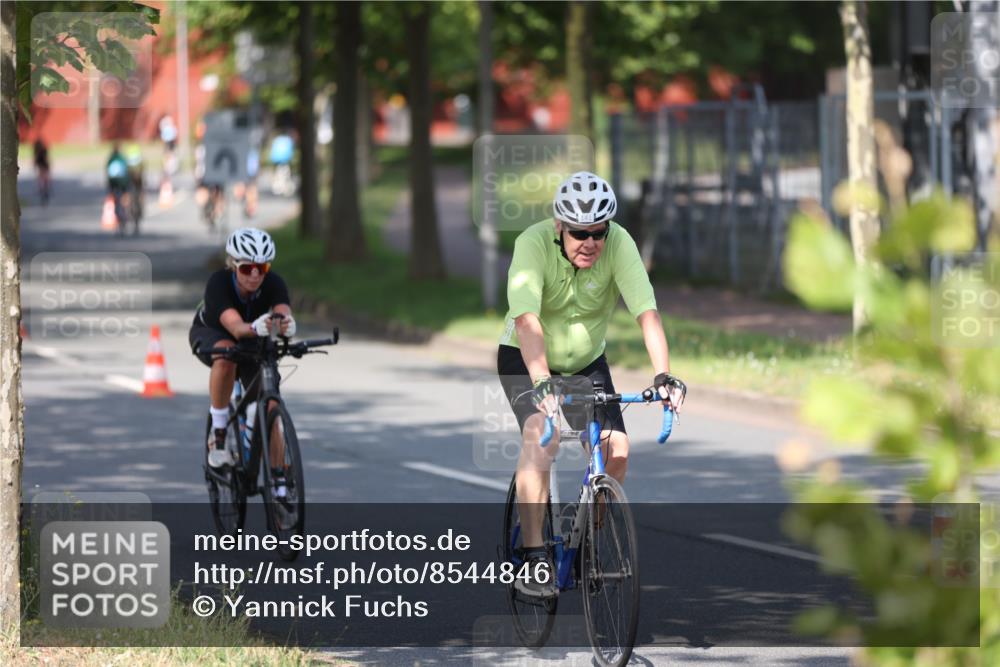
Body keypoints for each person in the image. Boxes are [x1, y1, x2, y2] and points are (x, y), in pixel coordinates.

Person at [497, 171, 687, 598]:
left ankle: (584, 543)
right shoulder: (531, 244)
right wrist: (543, 383)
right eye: (579, 232)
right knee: (539, 438)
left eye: (597, 233)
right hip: (525, 357)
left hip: (585, 363)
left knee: (616, 449)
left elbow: (647, 313)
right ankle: (533, 557)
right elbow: (527, 319)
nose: (590, 242)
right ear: (560, 226)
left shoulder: (619, 244)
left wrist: (663, 375)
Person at [188, 229, 297, 498]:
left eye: (261, 268)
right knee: (226, 356)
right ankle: (220, 430)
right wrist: (257, 326)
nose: (255, 275)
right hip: (215, 333)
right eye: (247, 268)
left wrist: (286, 324)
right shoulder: (219, 283)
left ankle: (280, 481)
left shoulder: (274, 283)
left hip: (254, 339)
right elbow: (236, 329)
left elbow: (282, 311)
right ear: (233, 265)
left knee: (270, 404)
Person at [106, 143, 130, 230]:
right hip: (123, 182)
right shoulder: (122, 158)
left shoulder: (111, 159)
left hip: (113, 182)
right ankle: (125, 211)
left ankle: (118, 213)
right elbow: (127, 171)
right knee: (125, 195)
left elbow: (107, 172)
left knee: (114, 197)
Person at [33, 138, 50, 205]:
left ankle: (42, 189)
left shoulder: (39, 150)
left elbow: (35, 158)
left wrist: (34, 164)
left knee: (41, 177)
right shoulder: (42, 150)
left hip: (41, 164)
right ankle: (44, 189)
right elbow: (46, 158)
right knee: (44, 177)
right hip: (42, 164)